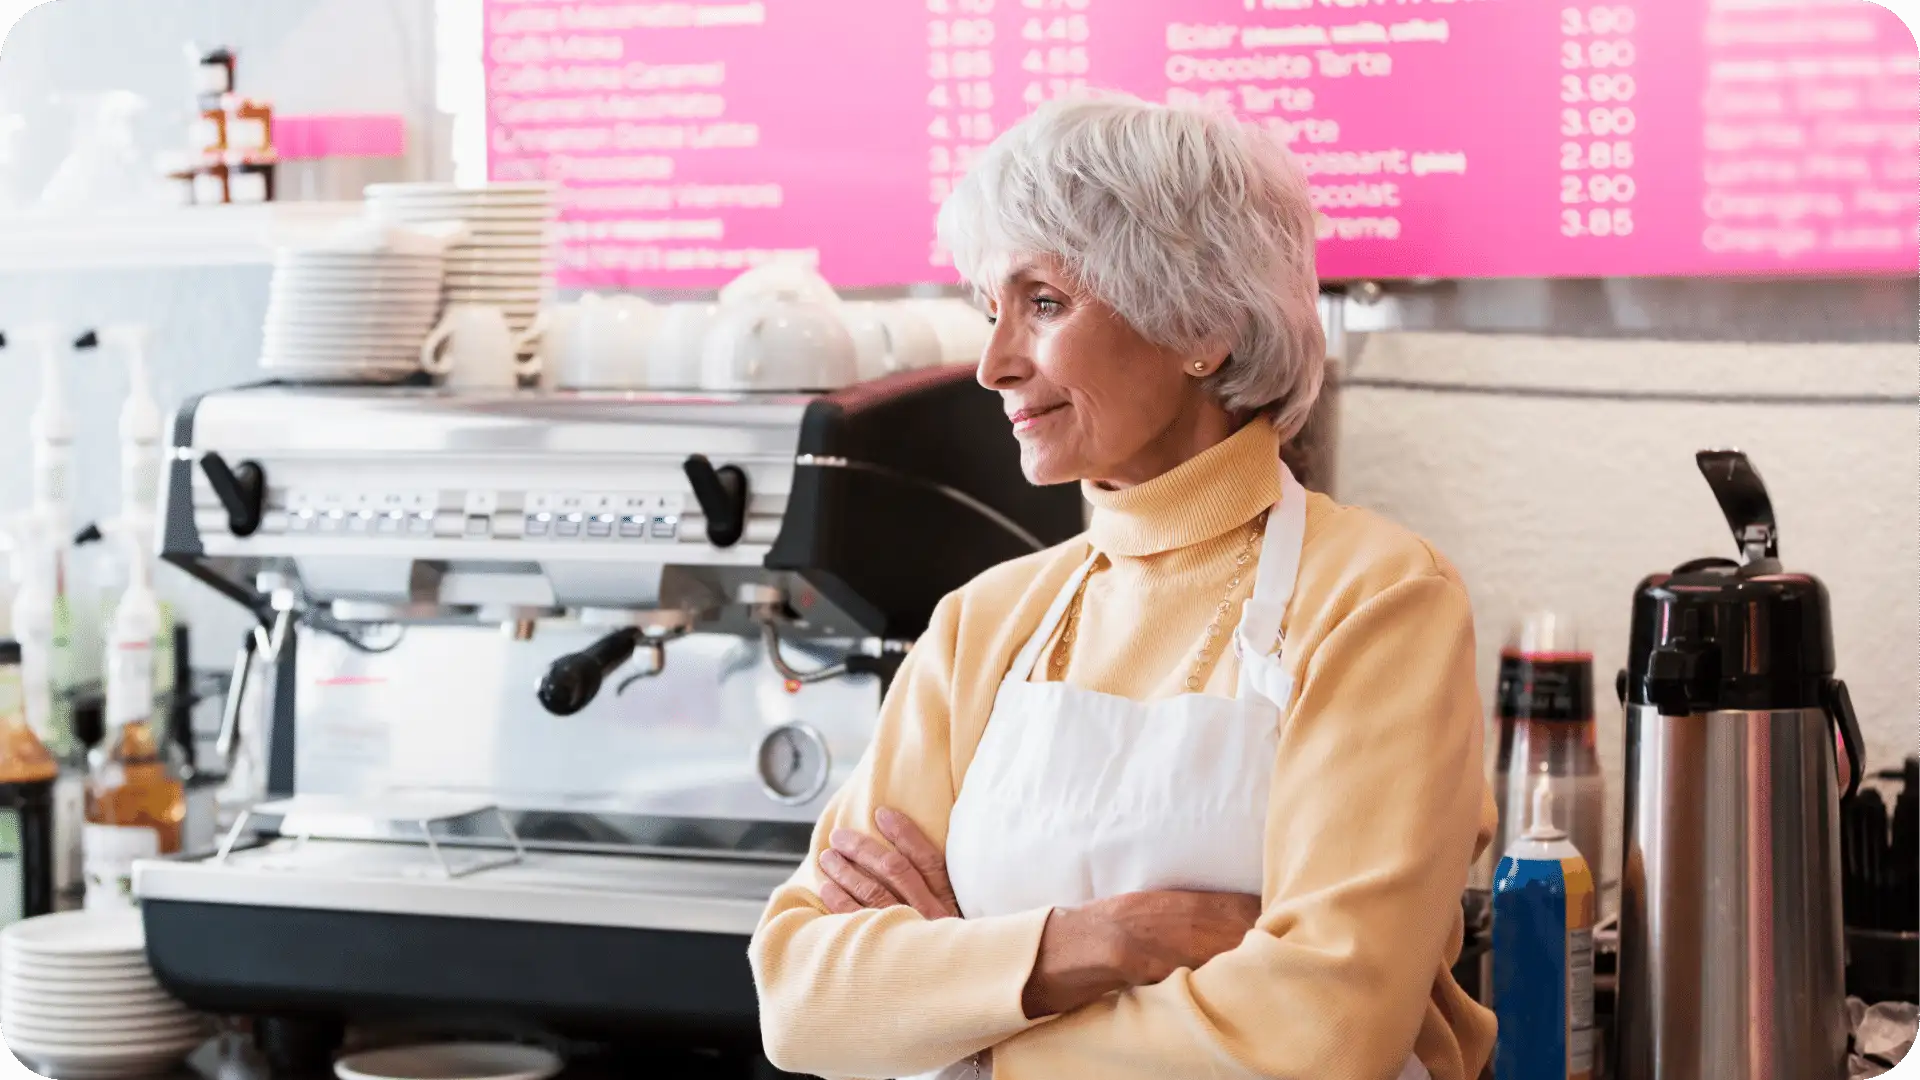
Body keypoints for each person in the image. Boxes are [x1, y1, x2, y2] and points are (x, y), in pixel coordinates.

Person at [748, 93, 1497, 1080]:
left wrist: (961, 1034)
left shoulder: (1378, 601)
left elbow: (1320, 1034)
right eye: (990, 311)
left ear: (1204, 324)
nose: (992, 364)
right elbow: (801, 1000)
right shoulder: (986, 623)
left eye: (1045, 303)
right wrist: (1096, 944)